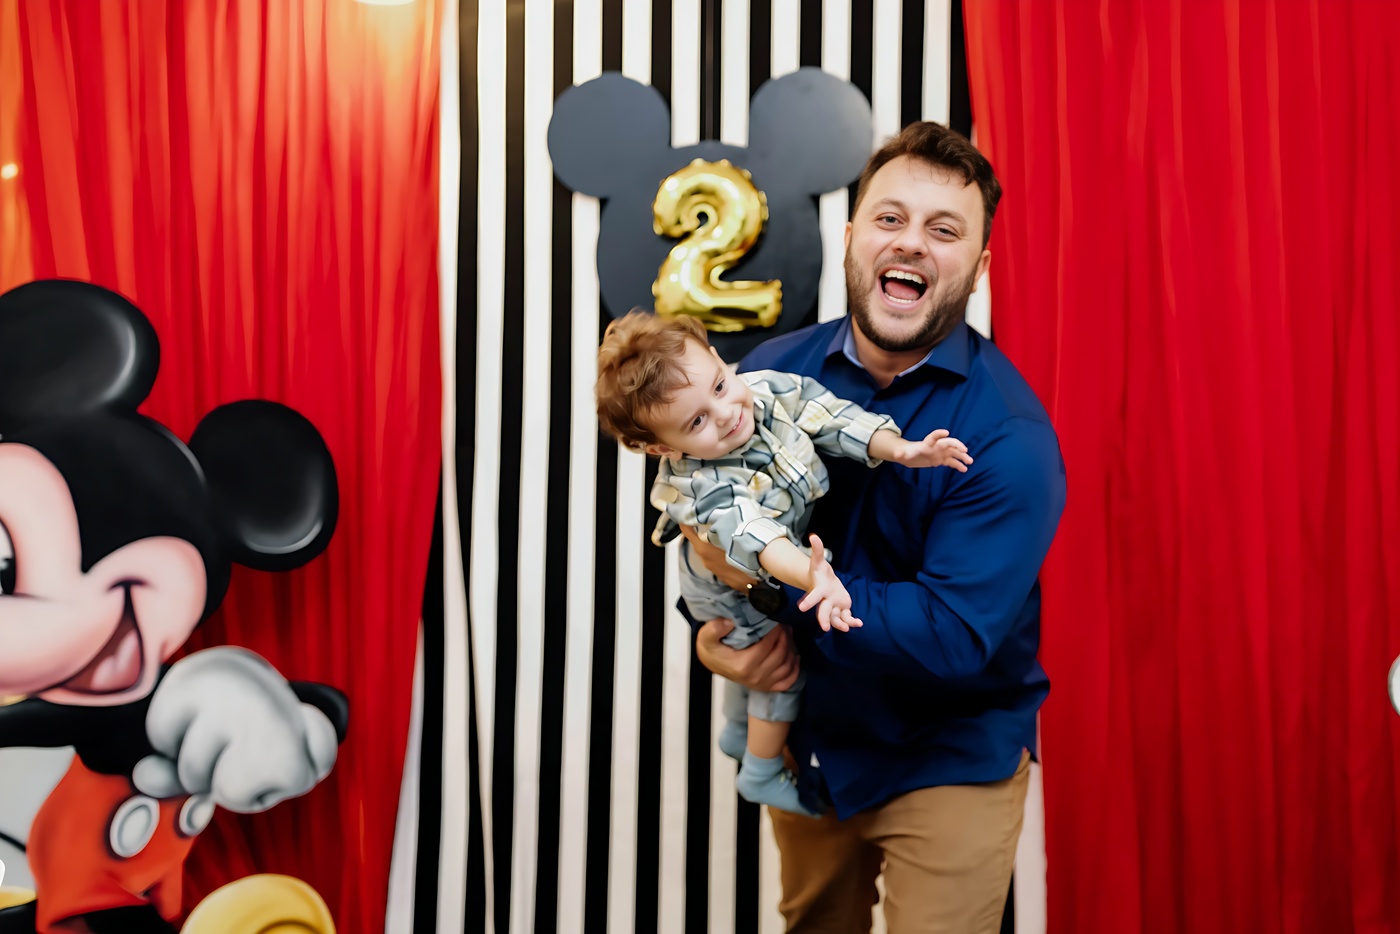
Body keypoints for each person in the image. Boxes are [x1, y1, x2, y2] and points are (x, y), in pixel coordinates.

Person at [679, 121, 1067, 933]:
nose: (912, 242)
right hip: (810, 743)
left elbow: (950, 634)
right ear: (853, 236)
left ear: (979, 267)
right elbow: (712, 523)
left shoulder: (1010, 439)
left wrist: (775, 588)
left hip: (949, 754)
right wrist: (716, 636)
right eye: (890, 219)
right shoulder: (766, 376)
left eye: (944, 230)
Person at [595, 310, 972, 816]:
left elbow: (829, 416)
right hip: (727, 582)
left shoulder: (763, 391)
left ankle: (736, 732)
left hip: (772, 559)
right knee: (779, 670)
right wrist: (812, 575)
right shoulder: (704, 487)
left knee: (748, 651)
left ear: (718, 360)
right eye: (696, 422)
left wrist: (900, 449)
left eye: (720, 386)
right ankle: (760, 770)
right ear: (663, 447)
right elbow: (758, 538)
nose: (725, 413)